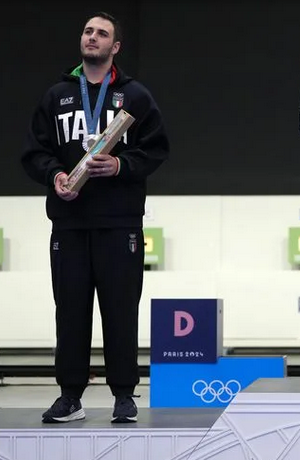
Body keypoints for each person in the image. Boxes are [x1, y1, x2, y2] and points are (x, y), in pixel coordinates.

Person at [21, 12, 169, 423]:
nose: (92, 37)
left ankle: (124, 394)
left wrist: (121, 166)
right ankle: (70, 396)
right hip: (68, 222)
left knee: (121, 309)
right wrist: (54, 175)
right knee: (70, 310)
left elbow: (157, 149)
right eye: (87, 31)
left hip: (119, 222)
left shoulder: (134, 96)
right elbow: (34, 152)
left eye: (102, 33)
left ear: (115, 47)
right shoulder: (57, 96)